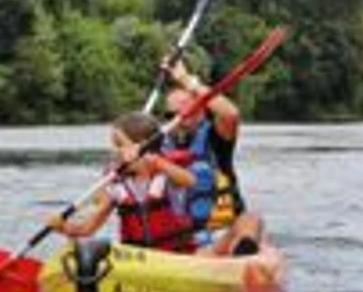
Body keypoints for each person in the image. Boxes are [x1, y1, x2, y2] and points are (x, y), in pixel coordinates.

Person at [54, 108, 211, 254]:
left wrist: (157, 162)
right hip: (138, 258)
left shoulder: (165, 176)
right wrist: (64, 228)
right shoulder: (117, 187)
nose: (114, 150)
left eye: (119, 144)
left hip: (176, 255)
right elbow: (87, 230)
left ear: (143, 146)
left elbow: (190, 181)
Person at [158, 53, 266, 255]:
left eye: (188, 111)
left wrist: (186, 80)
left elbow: (230, 114)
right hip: (180, 238)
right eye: (171, 115)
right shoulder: (156, 146)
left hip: (220, 234)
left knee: (251, 219)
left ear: (201, 109)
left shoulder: (215, 138)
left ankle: (242, 254)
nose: (180, 119)